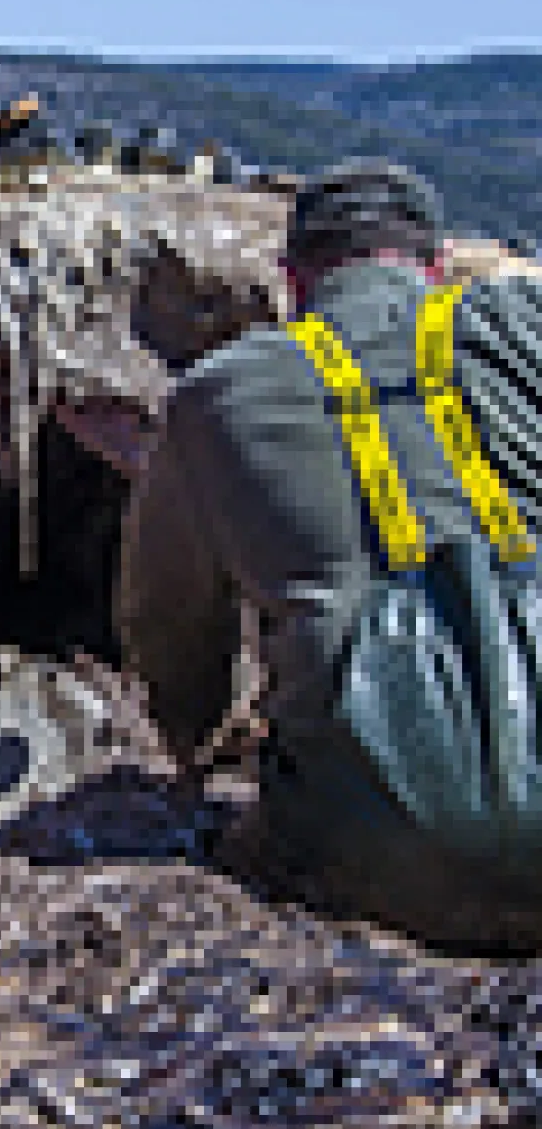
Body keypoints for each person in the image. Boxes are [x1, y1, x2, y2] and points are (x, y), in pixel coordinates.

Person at [119, 159, 542, 947]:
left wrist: (197, 747)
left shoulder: (216, 394)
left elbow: (168, 626)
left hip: (374, 852)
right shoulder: (522, 324)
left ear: (292, 280)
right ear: (437, 266)